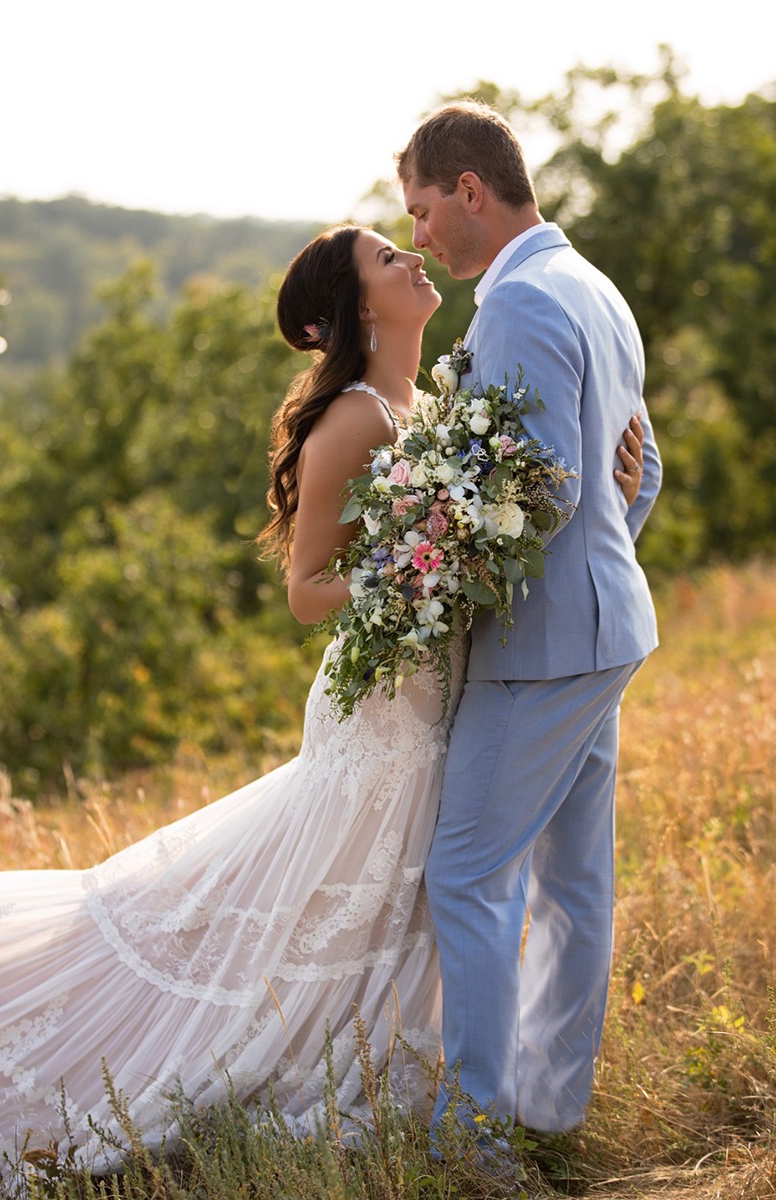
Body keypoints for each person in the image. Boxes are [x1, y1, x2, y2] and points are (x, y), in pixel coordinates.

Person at [0, 224, 644, 1197]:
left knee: (394, 902)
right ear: (365, 307)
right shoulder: (355, 421)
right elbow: (307, 587)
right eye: (388, 260)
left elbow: (488, 527)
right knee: (305, 908)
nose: (414, 262)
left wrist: (589, 504)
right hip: (382, 713)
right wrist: (417, 573)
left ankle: (392, 1075)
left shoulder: (433, 402)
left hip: (439, 695)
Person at [397, 101, 662, 1145]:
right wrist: (608, 548)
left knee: (465, 875)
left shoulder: (516, 306)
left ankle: (474, 1135)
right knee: (572, 883)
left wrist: (430, 596)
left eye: (421, 210)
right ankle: (549, 1114)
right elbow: (634, 474)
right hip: (602, 630)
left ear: (470, 189)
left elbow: (541, 494)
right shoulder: (594, 287)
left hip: (540, 649)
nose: (418, 234)